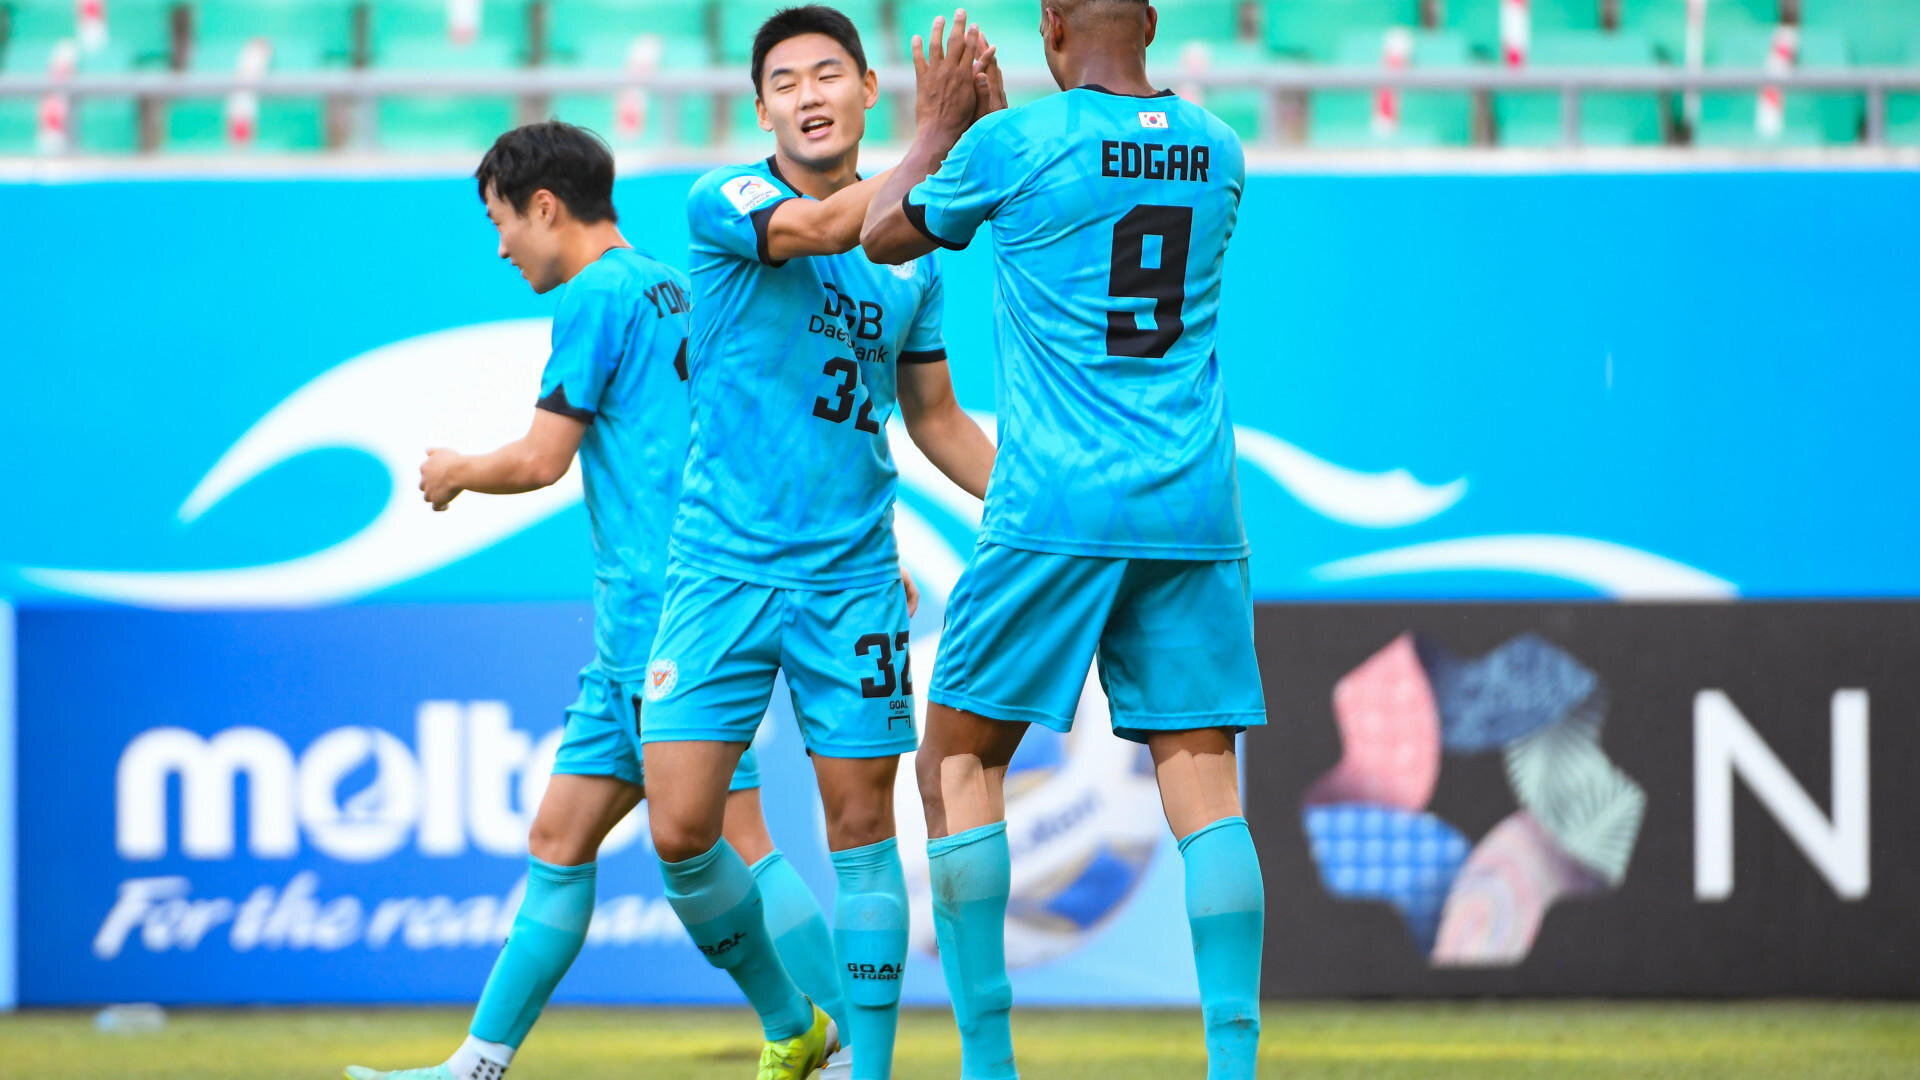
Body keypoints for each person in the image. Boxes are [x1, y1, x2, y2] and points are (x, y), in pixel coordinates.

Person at [344, 120, 847, 1080]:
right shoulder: (677, 286)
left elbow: (542, 460)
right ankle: (478, 1065)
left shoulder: (593, 295)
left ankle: (838, 1038)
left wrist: (456, 471)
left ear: (544, 207)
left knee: (737, 838)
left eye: (500, 222)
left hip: (672, 623)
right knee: (559, 837)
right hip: (638, 630)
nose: (501, 248)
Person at [861, 5, 1266, 1078]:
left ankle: (989, 1066)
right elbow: (1111, 198)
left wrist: (941, 129)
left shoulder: (1014, 142)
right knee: (1206, 789)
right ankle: (1234, 1065)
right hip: (1192, 501)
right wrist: (1000, 149)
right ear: (1152, 19)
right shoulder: (1221, 150)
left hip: (1058, 500)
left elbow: (885, 233)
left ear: (1048, 25)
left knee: (958, 759)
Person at [637, 7, 998, 1079]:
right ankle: (794, 1019)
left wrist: (1027, 506)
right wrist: (936, 139)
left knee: (862, 832)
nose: (808, 94)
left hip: (852, 584)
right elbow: (832, 227)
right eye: (785, 81)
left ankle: (862, 1069)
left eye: (828, 74)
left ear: (867, 88)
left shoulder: (914, 265)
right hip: (721, 571)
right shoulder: (726, 200)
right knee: (681, 831)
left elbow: (935, 418)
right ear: (761, 110)